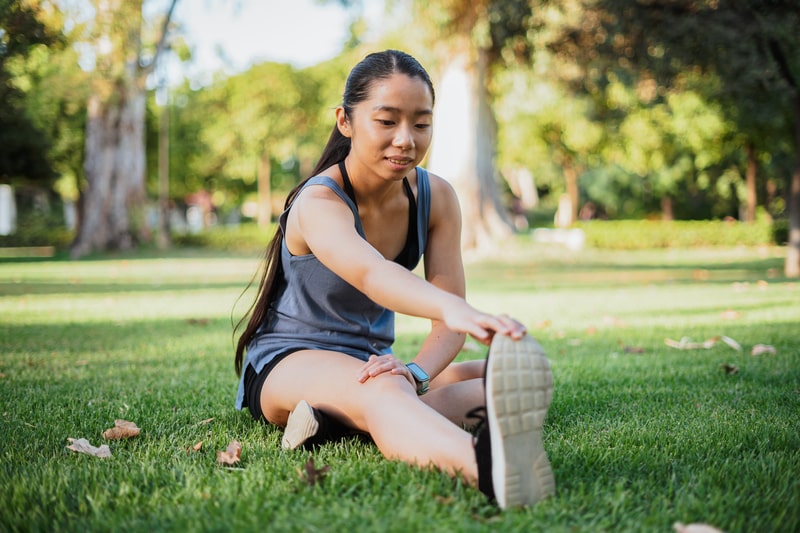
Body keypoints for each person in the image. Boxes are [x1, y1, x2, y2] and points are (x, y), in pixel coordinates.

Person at [234, 49, 555, 509]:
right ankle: (488, 470)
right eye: (387, 121)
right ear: (345, 121)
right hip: (290, 363)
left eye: (421, 124)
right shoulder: (319, 203)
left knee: (508, 377)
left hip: (372, 364)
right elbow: (373, 273)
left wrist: (417, 372)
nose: (406, 140)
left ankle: (340, 422)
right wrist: (454, 308)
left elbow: (446, 331)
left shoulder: (435, 197)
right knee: (384, 390)